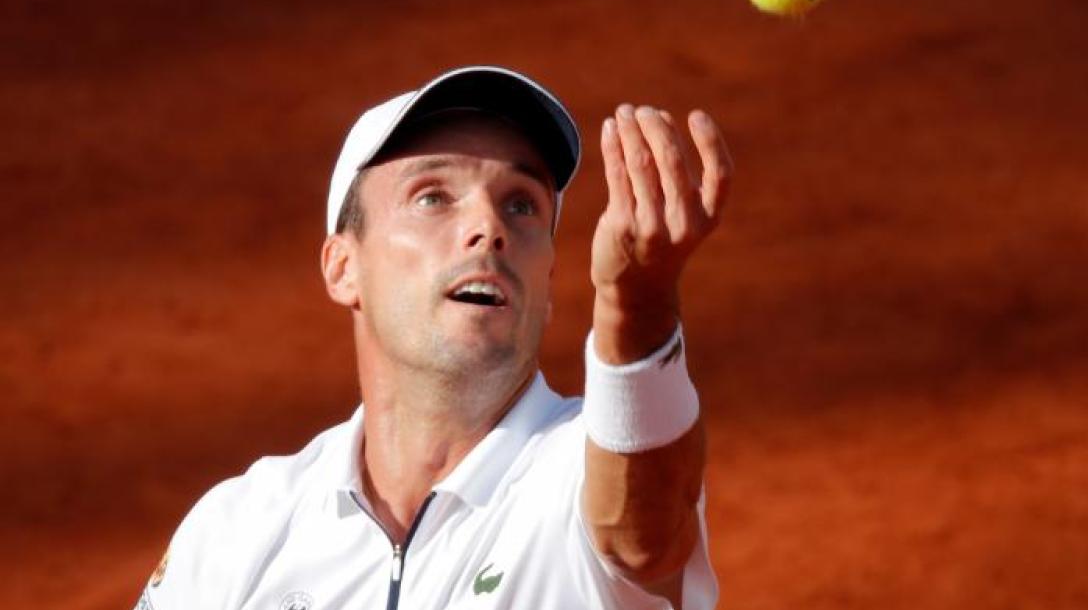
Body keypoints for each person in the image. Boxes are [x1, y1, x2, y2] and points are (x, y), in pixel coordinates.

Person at [135, 65, 732, 610]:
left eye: (522, 206)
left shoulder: (578, 470)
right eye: (433, 197)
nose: (488, 228)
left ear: (547, 285)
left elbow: (641, 538)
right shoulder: (242, 529)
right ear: (343, 267)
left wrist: (637, 305)